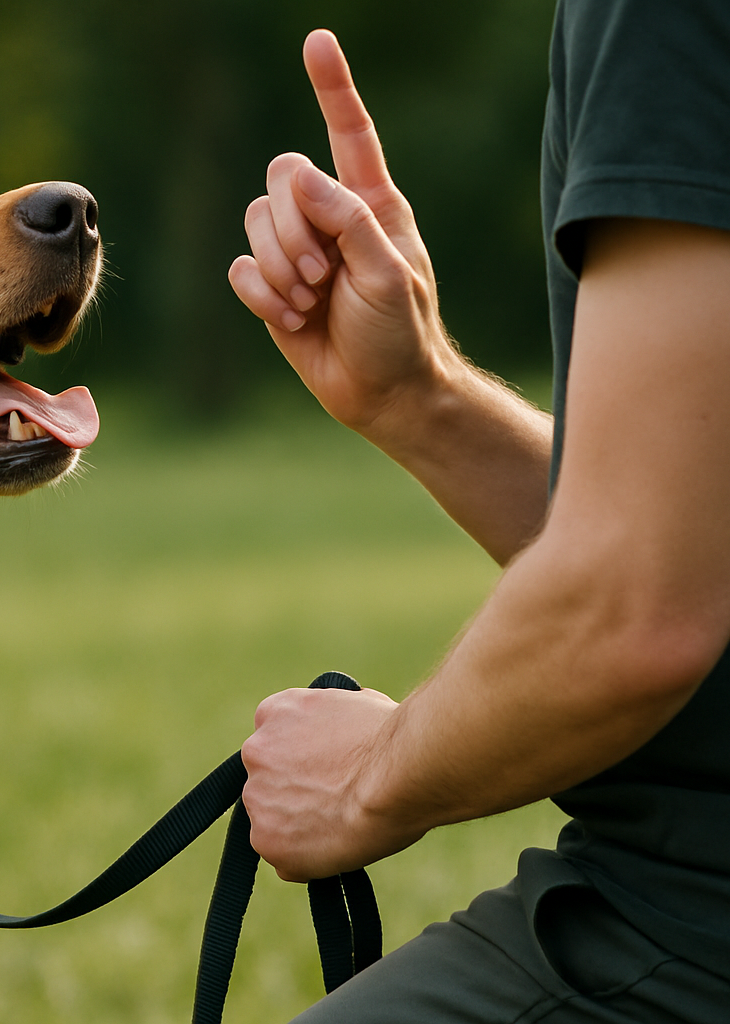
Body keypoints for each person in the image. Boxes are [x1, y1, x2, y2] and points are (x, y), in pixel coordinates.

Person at [227, 4, 730, 1020]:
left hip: (687, 928)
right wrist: (422, 400)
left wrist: (370, 774)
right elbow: (691, 528)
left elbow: (639, 607)